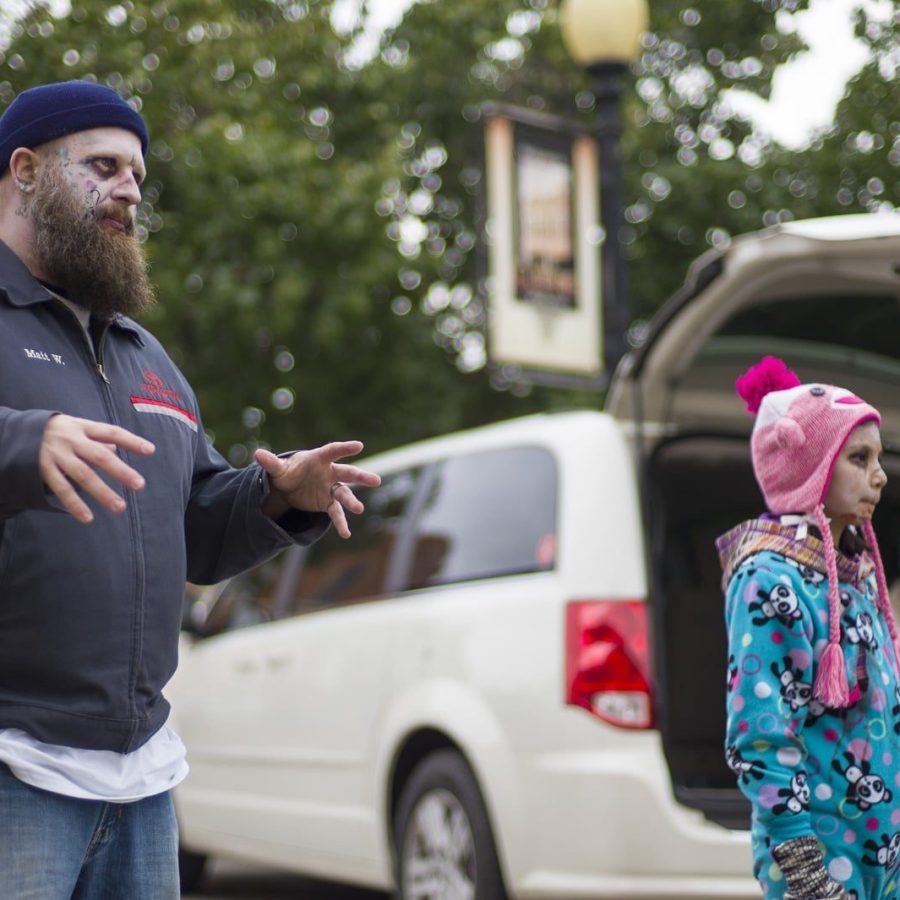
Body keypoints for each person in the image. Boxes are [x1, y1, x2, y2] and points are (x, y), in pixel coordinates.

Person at [0, 80, 381, 898]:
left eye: (138, 172)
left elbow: (200, 531)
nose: (130, 189)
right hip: (14, 769)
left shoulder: (144, 355)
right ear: (24, 170)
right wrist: (22, 441)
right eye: (102, 165)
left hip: (139, 778)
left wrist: (279, 499)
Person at [716, 356, 900, 900]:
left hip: (879, 852)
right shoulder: (768, 579)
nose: (880, 475)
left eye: (879, 459)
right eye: (859, 458)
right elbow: (760, 733)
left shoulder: (853, 571)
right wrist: (807, 874)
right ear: (810, 467)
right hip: (821, 861)